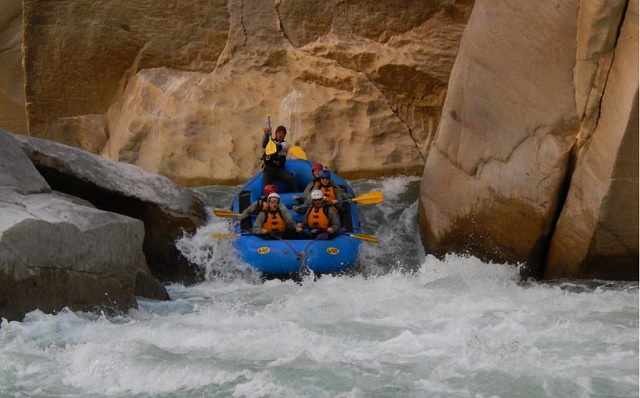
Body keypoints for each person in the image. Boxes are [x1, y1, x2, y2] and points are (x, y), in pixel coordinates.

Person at [261, 124, 300, 193]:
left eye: (283, 134)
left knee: (292, 180)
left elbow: (276, 148)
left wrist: (269, 140)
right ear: (276, 133)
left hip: (278, 170)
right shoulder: (271, 141)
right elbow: (264, 145)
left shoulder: (285, 144)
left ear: (284, 136)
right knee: (265, 189)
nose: (280, 135)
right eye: (279, 133)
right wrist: (267, 135)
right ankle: (265, 201)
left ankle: (297, 195)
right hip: (268, 169)